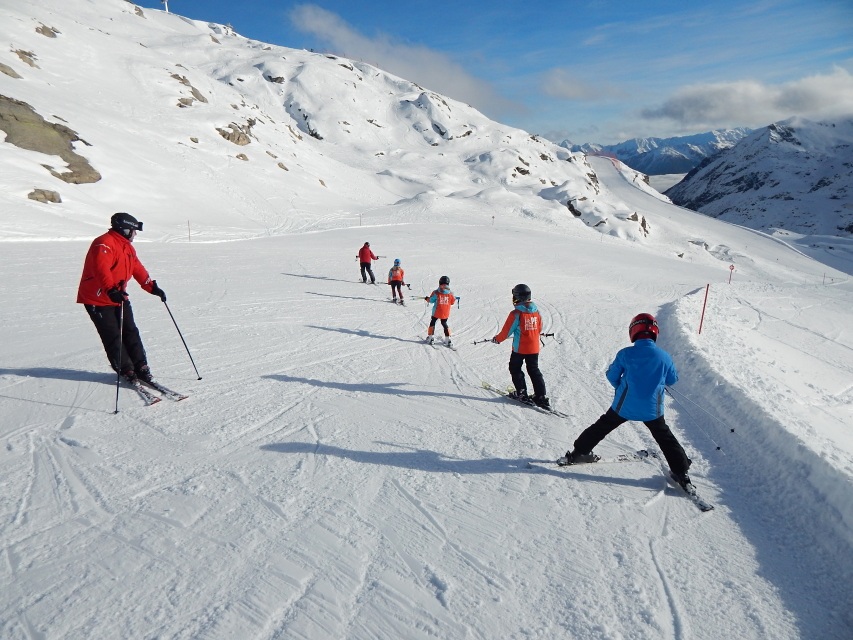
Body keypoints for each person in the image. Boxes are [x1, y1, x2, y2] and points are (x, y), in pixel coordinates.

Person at [557, 313, 693, 489]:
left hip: (624, 406)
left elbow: (611, 376)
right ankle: (681, 471)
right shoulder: (664, 356)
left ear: (634, 331)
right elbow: (672, 380)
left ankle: (579, 453)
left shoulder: (625, 354)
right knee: (665, 437)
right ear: (655, 332)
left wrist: (621, 387)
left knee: (602, 426)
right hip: (652, 410)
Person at [77, 212, 166, 384]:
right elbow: (102, 270)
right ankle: (126, 369)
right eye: (133, 230)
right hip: (98, 299)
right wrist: (111, 290)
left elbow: (137, 267)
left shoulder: (127, 247)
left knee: (130, 330)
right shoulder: (103, 244)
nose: (135, 234)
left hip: (118, 296)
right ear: (124, 229)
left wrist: (151, 286)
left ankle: (141, 366)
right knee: (113, 335)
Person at [492, 284, 549, 409]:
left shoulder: (516, 313)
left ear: (517, 297)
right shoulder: (536, 311)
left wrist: (497, 339)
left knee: (515, 368)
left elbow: (506, 331)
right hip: (534, 347)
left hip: (520, 348)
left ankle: (522, 393)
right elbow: (539, 328)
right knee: (534, 370)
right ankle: (541, 396)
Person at [423, 276, 456, 345]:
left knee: (433, 322)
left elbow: (431, 300)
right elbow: (452, 302)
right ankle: (448, 339)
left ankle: (430, 337)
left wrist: (427, 298)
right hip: (445, 313)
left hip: (436, 312)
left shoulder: (436, 292)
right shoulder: (451, 293)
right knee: (444, 323)